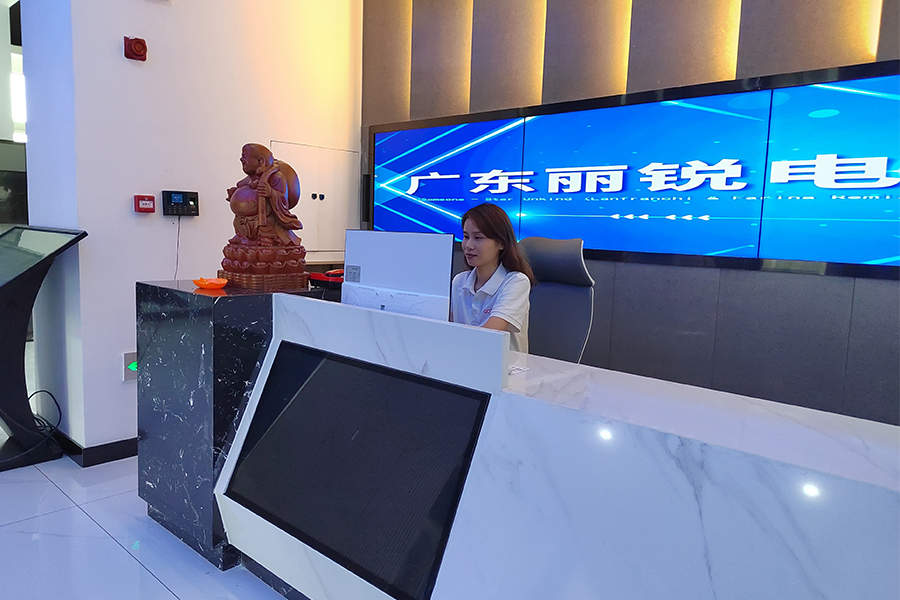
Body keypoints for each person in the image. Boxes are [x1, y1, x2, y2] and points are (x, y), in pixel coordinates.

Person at [450, 203, 535, 353]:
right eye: (466, 237)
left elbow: (488, 335)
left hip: (505, 365)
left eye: (478, 238)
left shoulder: (516, 282)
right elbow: (446, 329)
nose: (468, 245)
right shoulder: (459, 281)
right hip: (465, 361)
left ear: (501, 243)